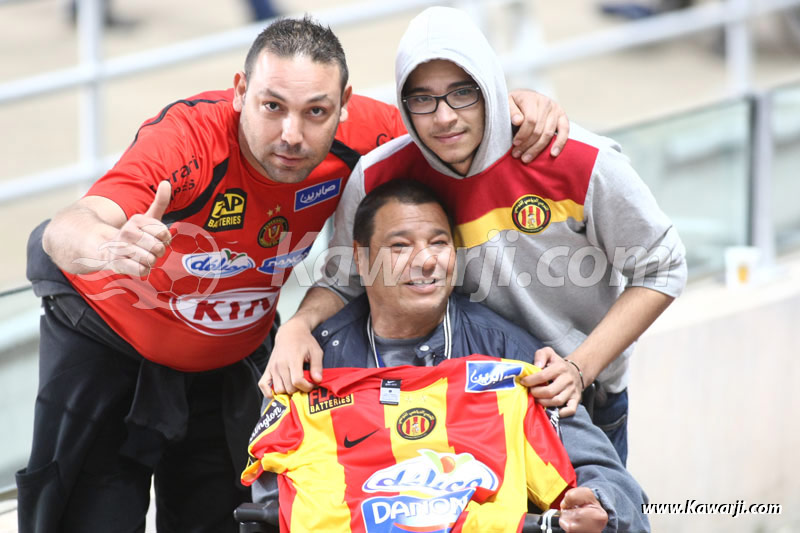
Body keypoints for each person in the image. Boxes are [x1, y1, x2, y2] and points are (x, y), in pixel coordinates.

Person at [19, 14, 569, 533]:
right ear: (240, 91)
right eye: (272, 106)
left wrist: (515, 105)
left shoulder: (366, 137)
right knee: (85, 517)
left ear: (344, 106)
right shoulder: (189, 140)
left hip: (231, 356)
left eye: (316, 112)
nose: (292, 134)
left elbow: (452, 124)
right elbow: (66, 227)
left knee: (228, 517)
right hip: (110, 339)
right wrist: (109, 247)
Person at [262, 6, 688, 466]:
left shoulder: (577, 161)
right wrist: (296, 327)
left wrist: (579, 368)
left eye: (462, 93)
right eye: (422, 99)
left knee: (600, 501)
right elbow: (344, 280)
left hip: (573, 397)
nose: (444, 117)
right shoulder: (379, 175)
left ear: (489, 86)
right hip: (455, 402)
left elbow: (664, 267)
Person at [247, 179, 650, 533]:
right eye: (400, 246)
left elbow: (609, 478)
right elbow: (270, 502)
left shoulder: (507, 354)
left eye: (439, 243)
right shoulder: (312, 361)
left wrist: (598, 501)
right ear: (361, 257)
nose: (426, 261)